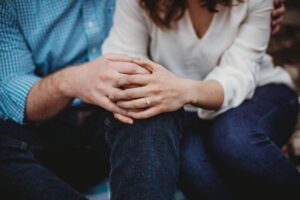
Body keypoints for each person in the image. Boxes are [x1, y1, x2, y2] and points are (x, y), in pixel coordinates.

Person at [0, 0, 286, 200]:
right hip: (52, 126)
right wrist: (71, 81)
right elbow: (11, 93)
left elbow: (235, 56)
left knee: (154, 107)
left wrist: (250, 13)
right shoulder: (10, 6)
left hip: (128, 122)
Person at [102, 0, 299, 199]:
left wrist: (185, 90)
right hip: (182, 110)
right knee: (194, 167)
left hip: (257, 92)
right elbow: (124, 61)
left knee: (235, 137)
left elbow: (239, 74)